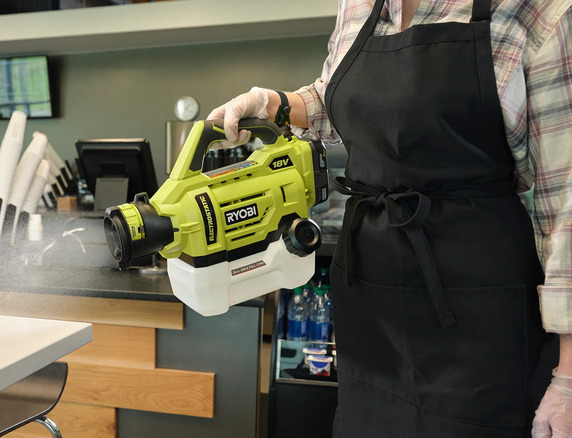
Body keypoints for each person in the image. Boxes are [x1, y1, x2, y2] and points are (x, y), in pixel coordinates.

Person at [208, 0, 571, 436]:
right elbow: (339, 98)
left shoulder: (535, 8)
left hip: (478, 306)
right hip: (370, 298)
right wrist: (276, 105)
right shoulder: (357, 5)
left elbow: (566, 201)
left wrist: (567, 380)